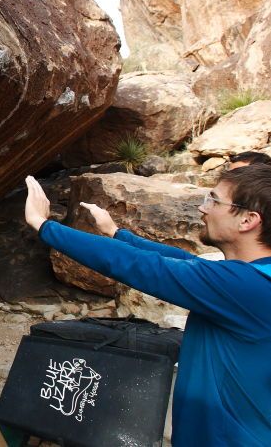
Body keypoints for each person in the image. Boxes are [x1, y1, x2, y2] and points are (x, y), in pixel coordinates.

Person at [23, 165, 271, 446]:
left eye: (214, 200)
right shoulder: (257, 277)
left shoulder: (247, 287)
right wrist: (117, 232)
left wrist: (44, 225)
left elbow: (145, 267)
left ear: (248, 220)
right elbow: (182, 261)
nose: (203, 209)